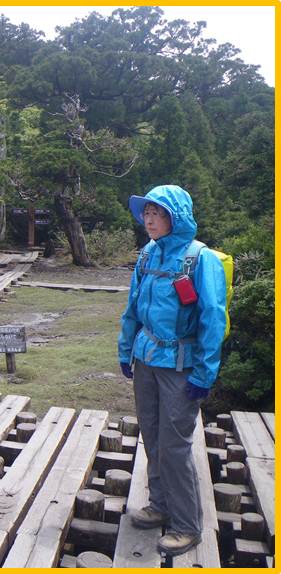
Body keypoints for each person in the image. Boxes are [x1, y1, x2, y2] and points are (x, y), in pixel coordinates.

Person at [117, 185, 227, 557]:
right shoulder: (148, 254)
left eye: (157, 213)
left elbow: (213, 318)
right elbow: (133, 305)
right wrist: (125, 348)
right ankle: (159, 503)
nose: (148, 220)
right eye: (146, 212)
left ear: (175, 217)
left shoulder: (200, 259)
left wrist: (204, 373)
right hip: (147, 359)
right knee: (151, 435)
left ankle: (186, 525)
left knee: (175, 446)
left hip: (181, 367)